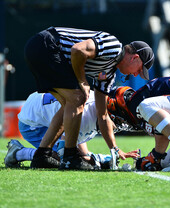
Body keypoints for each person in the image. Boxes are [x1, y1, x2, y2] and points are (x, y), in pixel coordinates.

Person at [24, 26, 153, 170]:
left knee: (70, 104)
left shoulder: (108, 74)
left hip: (43, 49)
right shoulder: (114, 46)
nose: (136, 75)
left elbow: (102, 115)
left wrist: (115, 149)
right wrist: (82, 80)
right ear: (135, 58)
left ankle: (42, 155)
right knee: (78, 98)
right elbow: (77, 50)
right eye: (140, 69)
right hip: (45, 45)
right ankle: (70, 156)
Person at [4, 90, 138, 169]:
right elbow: (65, 153)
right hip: (32, 124)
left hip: (41, 107)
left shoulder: (92, 108)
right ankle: (18, 153)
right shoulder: (85, 115)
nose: (121, 125)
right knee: (61, 158)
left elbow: (81, 146)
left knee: (81, 154)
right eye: (120, 120)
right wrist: (103, 160)